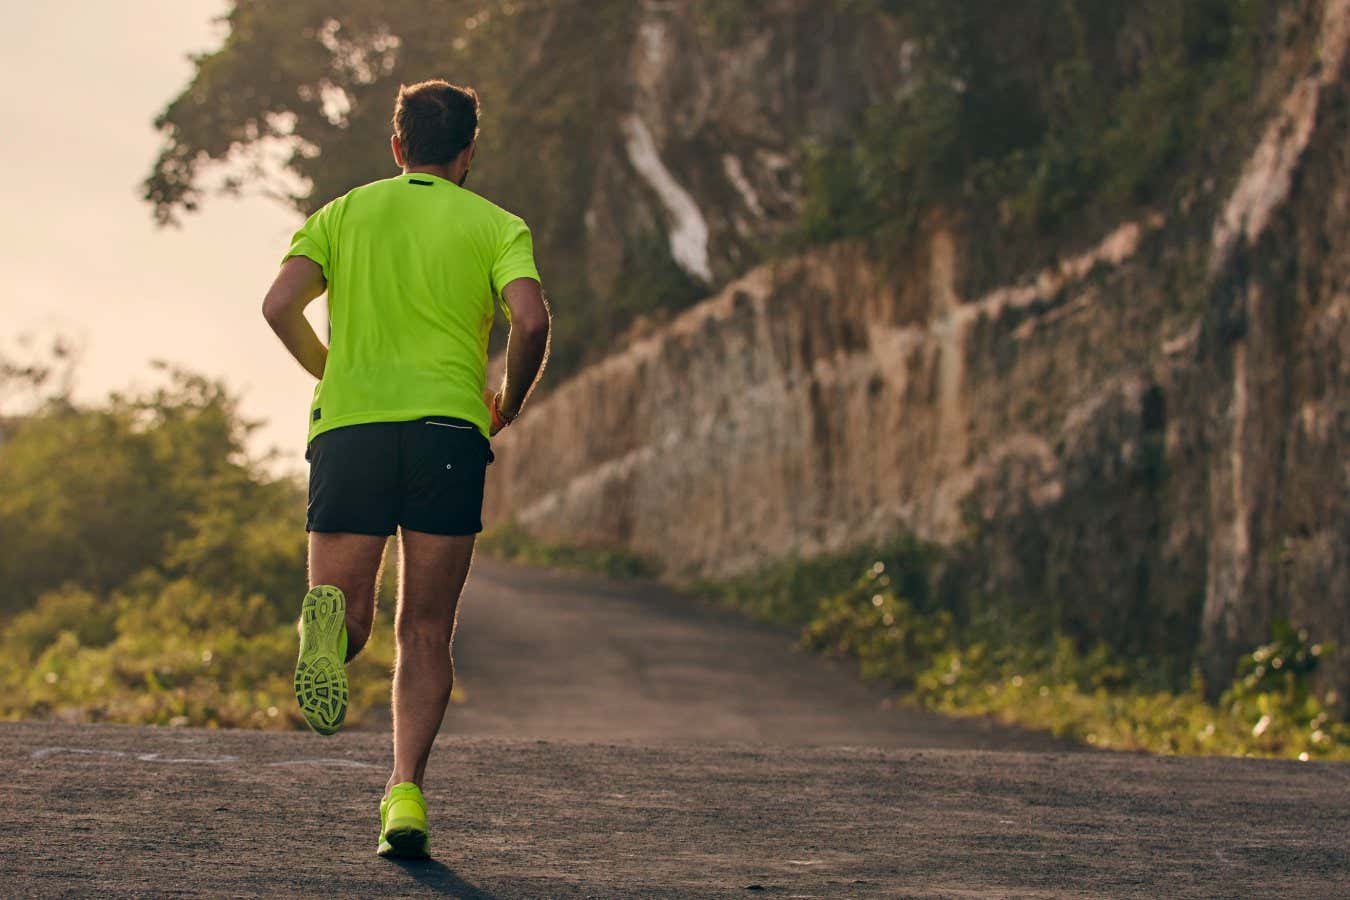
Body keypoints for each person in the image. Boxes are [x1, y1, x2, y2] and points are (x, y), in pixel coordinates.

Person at [261, 78, 550, 859]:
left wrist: (329, 369)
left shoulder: (341, 214)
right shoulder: (496, 224)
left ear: (397, 147)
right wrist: (508, 402)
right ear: (467, 154)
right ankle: (404, 795)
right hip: (446, 432)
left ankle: (328, 630)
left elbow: (278, 303)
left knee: (347, 611)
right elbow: (530, 319)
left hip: (350, 428)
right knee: (424, 630)